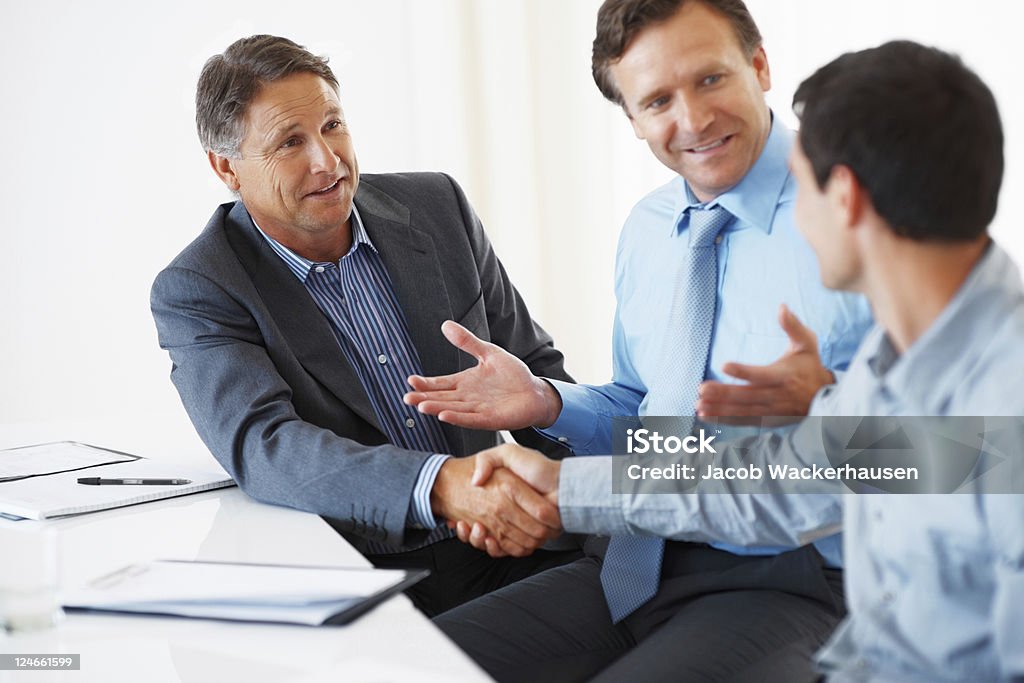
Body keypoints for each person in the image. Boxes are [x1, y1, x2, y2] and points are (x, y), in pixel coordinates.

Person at [444, 40, 1024, 682]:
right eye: (658, 99)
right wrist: (568, 479)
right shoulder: (907, 361)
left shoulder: (999, 407)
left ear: (846, 199)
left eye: (795, 185)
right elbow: (780, 480)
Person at [408, 0, 872, 680]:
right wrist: (549, 404)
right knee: (399, 663)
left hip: (789, 575)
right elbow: (654, 415)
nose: (692, 120)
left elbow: (913, 455)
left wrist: (574, 487)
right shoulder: (651, 230)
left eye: (710, 79)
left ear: (760, 64)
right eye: (657, 99)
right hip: (633, 561)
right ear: (631, 119)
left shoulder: (859, 213)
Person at [149, 34, 582, 618]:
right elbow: (265, 446)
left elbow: (536, 372)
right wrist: (443, 487)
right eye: (289, 142)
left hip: (516, 543)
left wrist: (589, 500)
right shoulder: (202, 285)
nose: (326, 160)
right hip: (372, 577)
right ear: (227, 167)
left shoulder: (437, 207)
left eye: (332, 125)